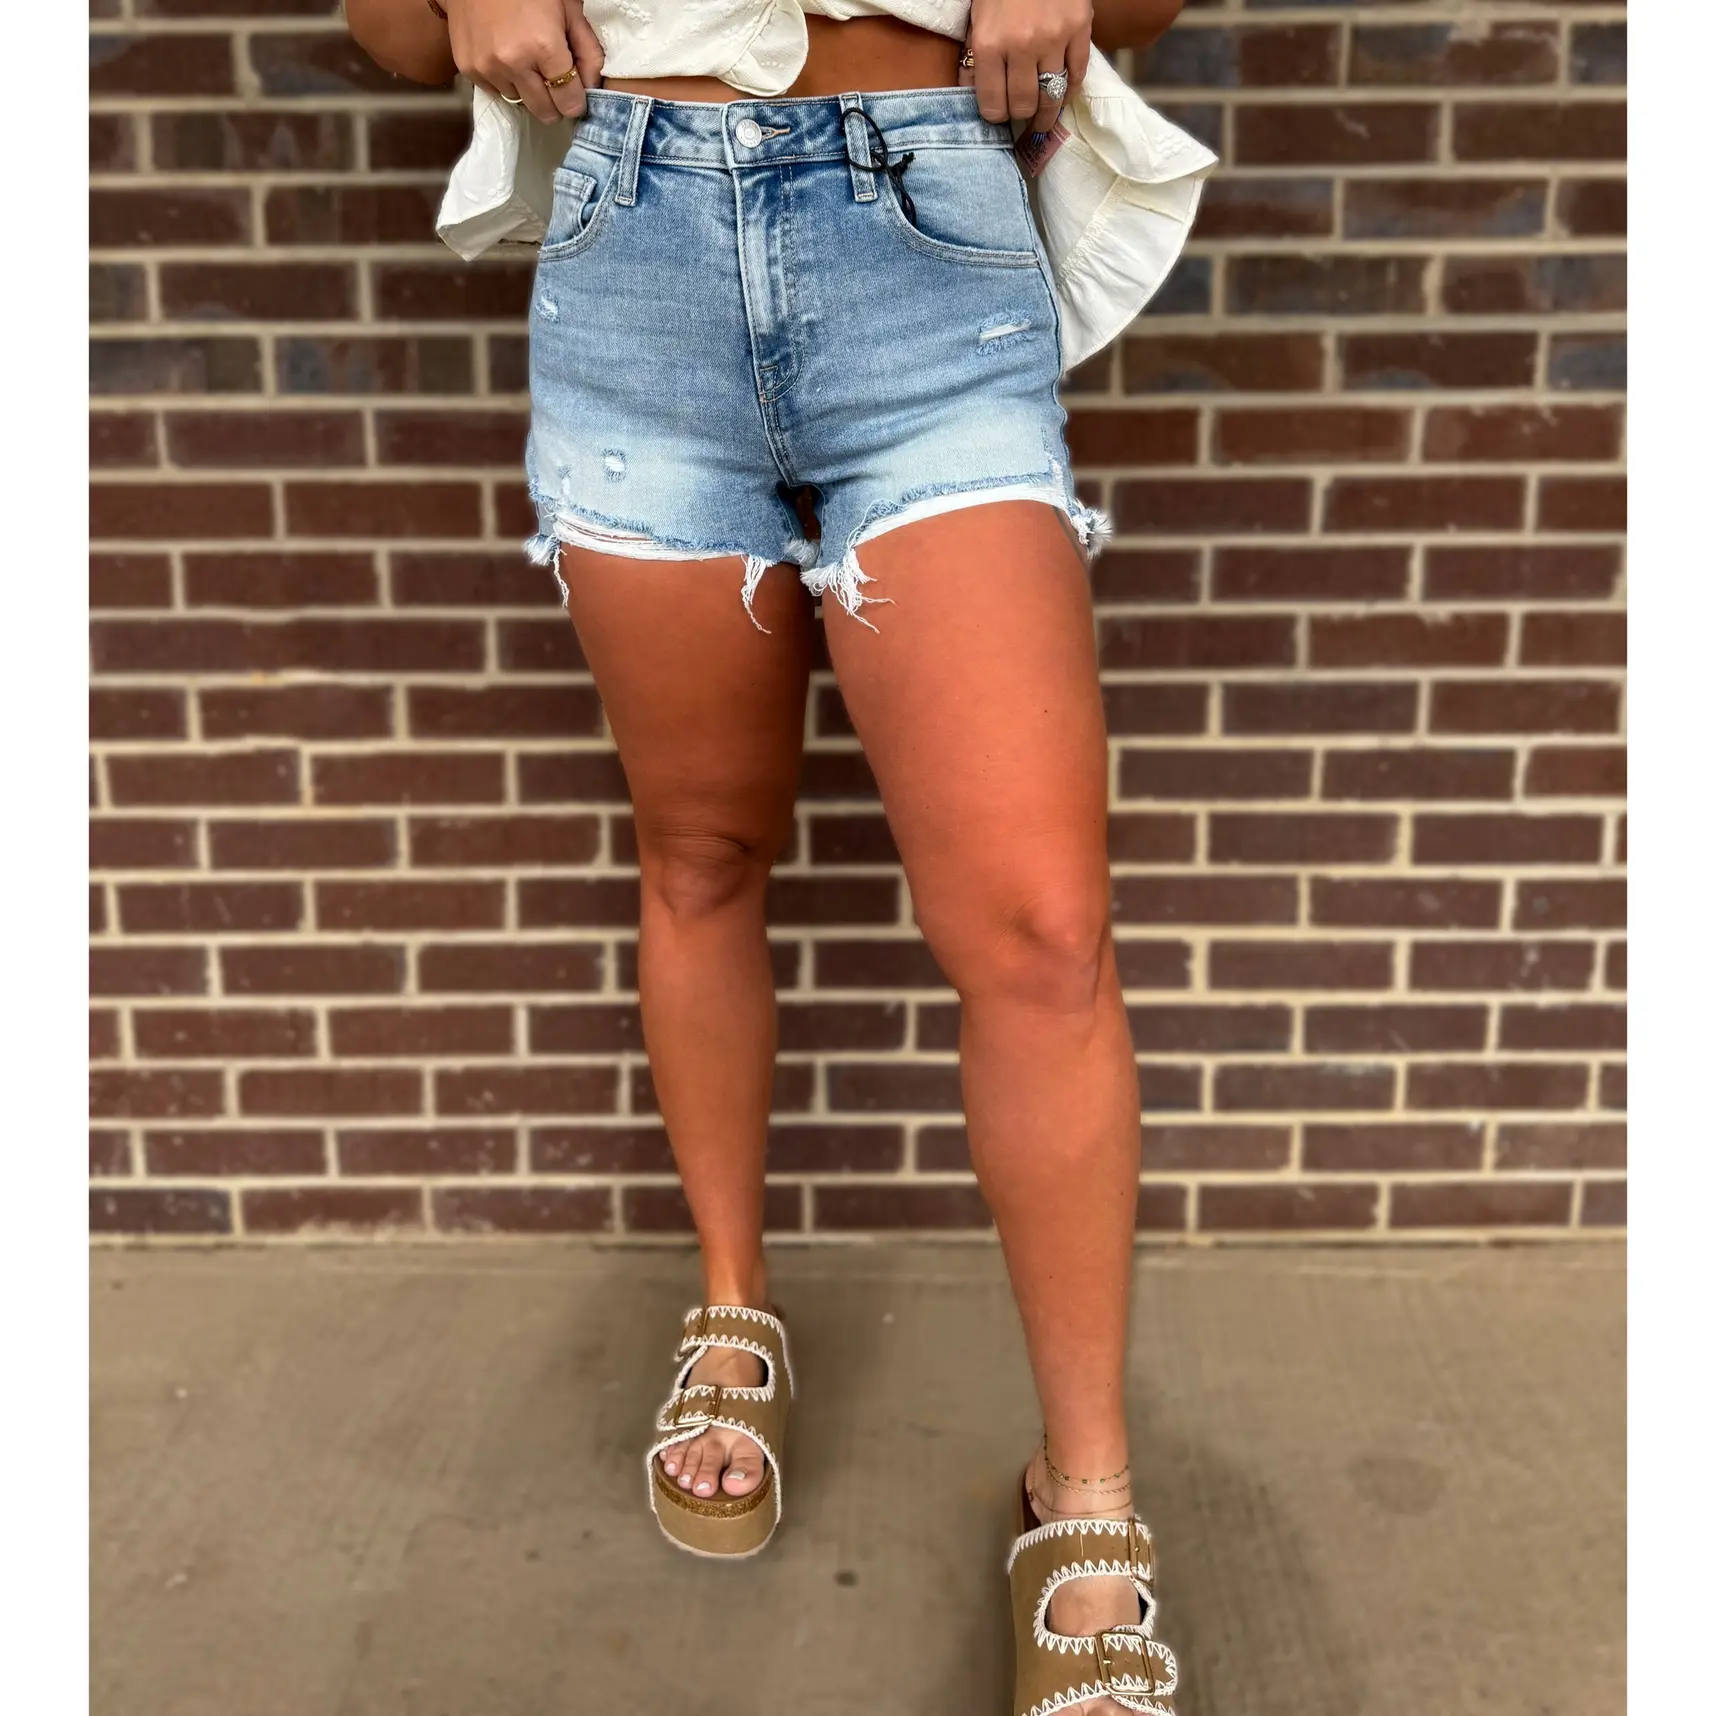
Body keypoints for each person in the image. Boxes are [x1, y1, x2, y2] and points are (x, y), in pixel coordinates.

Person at [345, 2, 1206, 1709]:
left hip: (927, 234)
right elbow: (395, 38)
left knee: (1041, 932)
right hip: (635, 244)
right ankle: (732, 1308)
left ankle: (1086, 1490)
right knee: (701, 853)